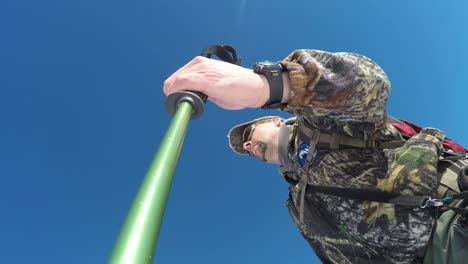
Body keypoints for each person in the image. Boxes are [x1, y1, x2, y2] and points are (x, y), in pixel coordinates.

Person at [163, 49, 468, 264]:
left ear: (272, 121)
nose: (247, 146)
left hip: (454, 221)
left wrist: (270, 85)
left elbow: (369, 82)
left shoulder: (316, 124)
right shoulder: (297, 202)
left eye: (247, 136)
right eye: (245, 148)